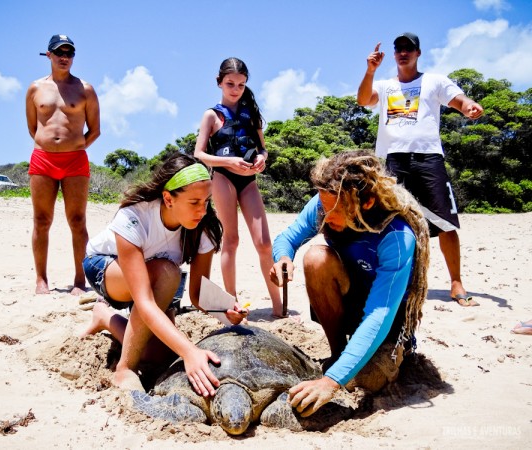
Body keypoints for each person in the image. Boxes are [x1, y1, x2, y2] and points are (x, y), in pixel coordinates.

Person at [270, 150, 429, 417]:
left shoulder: (397, 235)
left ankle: (381, 355)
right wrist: (283, 258)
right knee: (316, 258)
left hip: (389, 317)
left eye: (334, 213)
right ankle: (338, 352)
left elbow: (380, 314)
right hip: (350, 298)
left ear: (365, 202)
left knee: (370, 379)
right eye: (323, 209)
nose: (325, 218)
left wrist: (331, 382)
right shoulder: (325, 203)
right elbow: (288, 236)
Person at [81, 153, 248, 395]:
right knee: (169, 273)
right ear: (168, 199)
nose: (202, 210)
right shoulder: (134, 217)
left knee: (159, 355)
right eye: (194, 202)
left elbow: (198, 293)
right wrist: (190, 351)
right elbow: (144, 302)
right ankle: (124, 368)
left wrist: (225, 310)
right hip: (107, 267)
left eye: (206, 201)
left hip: (158, 279)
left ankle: (104, 317)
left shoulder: (204, 228)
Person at [356, 32, 484, 307]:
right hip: (392, 160)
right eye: (399, 48)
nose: (403, 52)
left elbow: (458, 100)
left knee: (445, 221)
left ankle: (456, 283)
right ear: (394, 54)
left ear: (418, 53)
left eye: (409, 48)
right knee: (388, 221)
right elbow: (364, 100)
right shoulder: (385, 85)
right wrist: (369, 71)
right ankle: (391, 281)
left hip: (428, 159)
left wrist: (469, 107)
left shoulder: (434, 81)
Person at [194, 57, 283, 317]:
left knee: (264, 243)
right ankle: (232, 303)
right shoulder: (211, 115)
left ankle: (278, 306)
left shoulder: (251, 114)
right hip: (222, 178)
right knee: (231, 241)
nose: (235, 89)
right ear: (219, 82)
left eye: (241, 85)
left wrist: (262, 159)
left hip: (248, 181)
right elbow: (199, 153)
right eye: (230, 83)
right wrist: (228, 161)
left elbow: (263, 147)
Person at [25, 34, 101, 295]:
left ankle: (80, 281)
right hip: (43, 160)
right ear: (49, 55)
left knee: (78, 220)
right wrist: (49, 146)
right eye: (60, 52)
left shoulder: (85, 89)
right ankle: (41, 280)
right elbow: (32, 127)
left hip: (75, 161)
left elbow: (95, 130)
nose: (65, 57)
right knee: (42, 220)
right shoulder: (35, 89)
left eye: (69, 53)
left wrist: (75, 147)